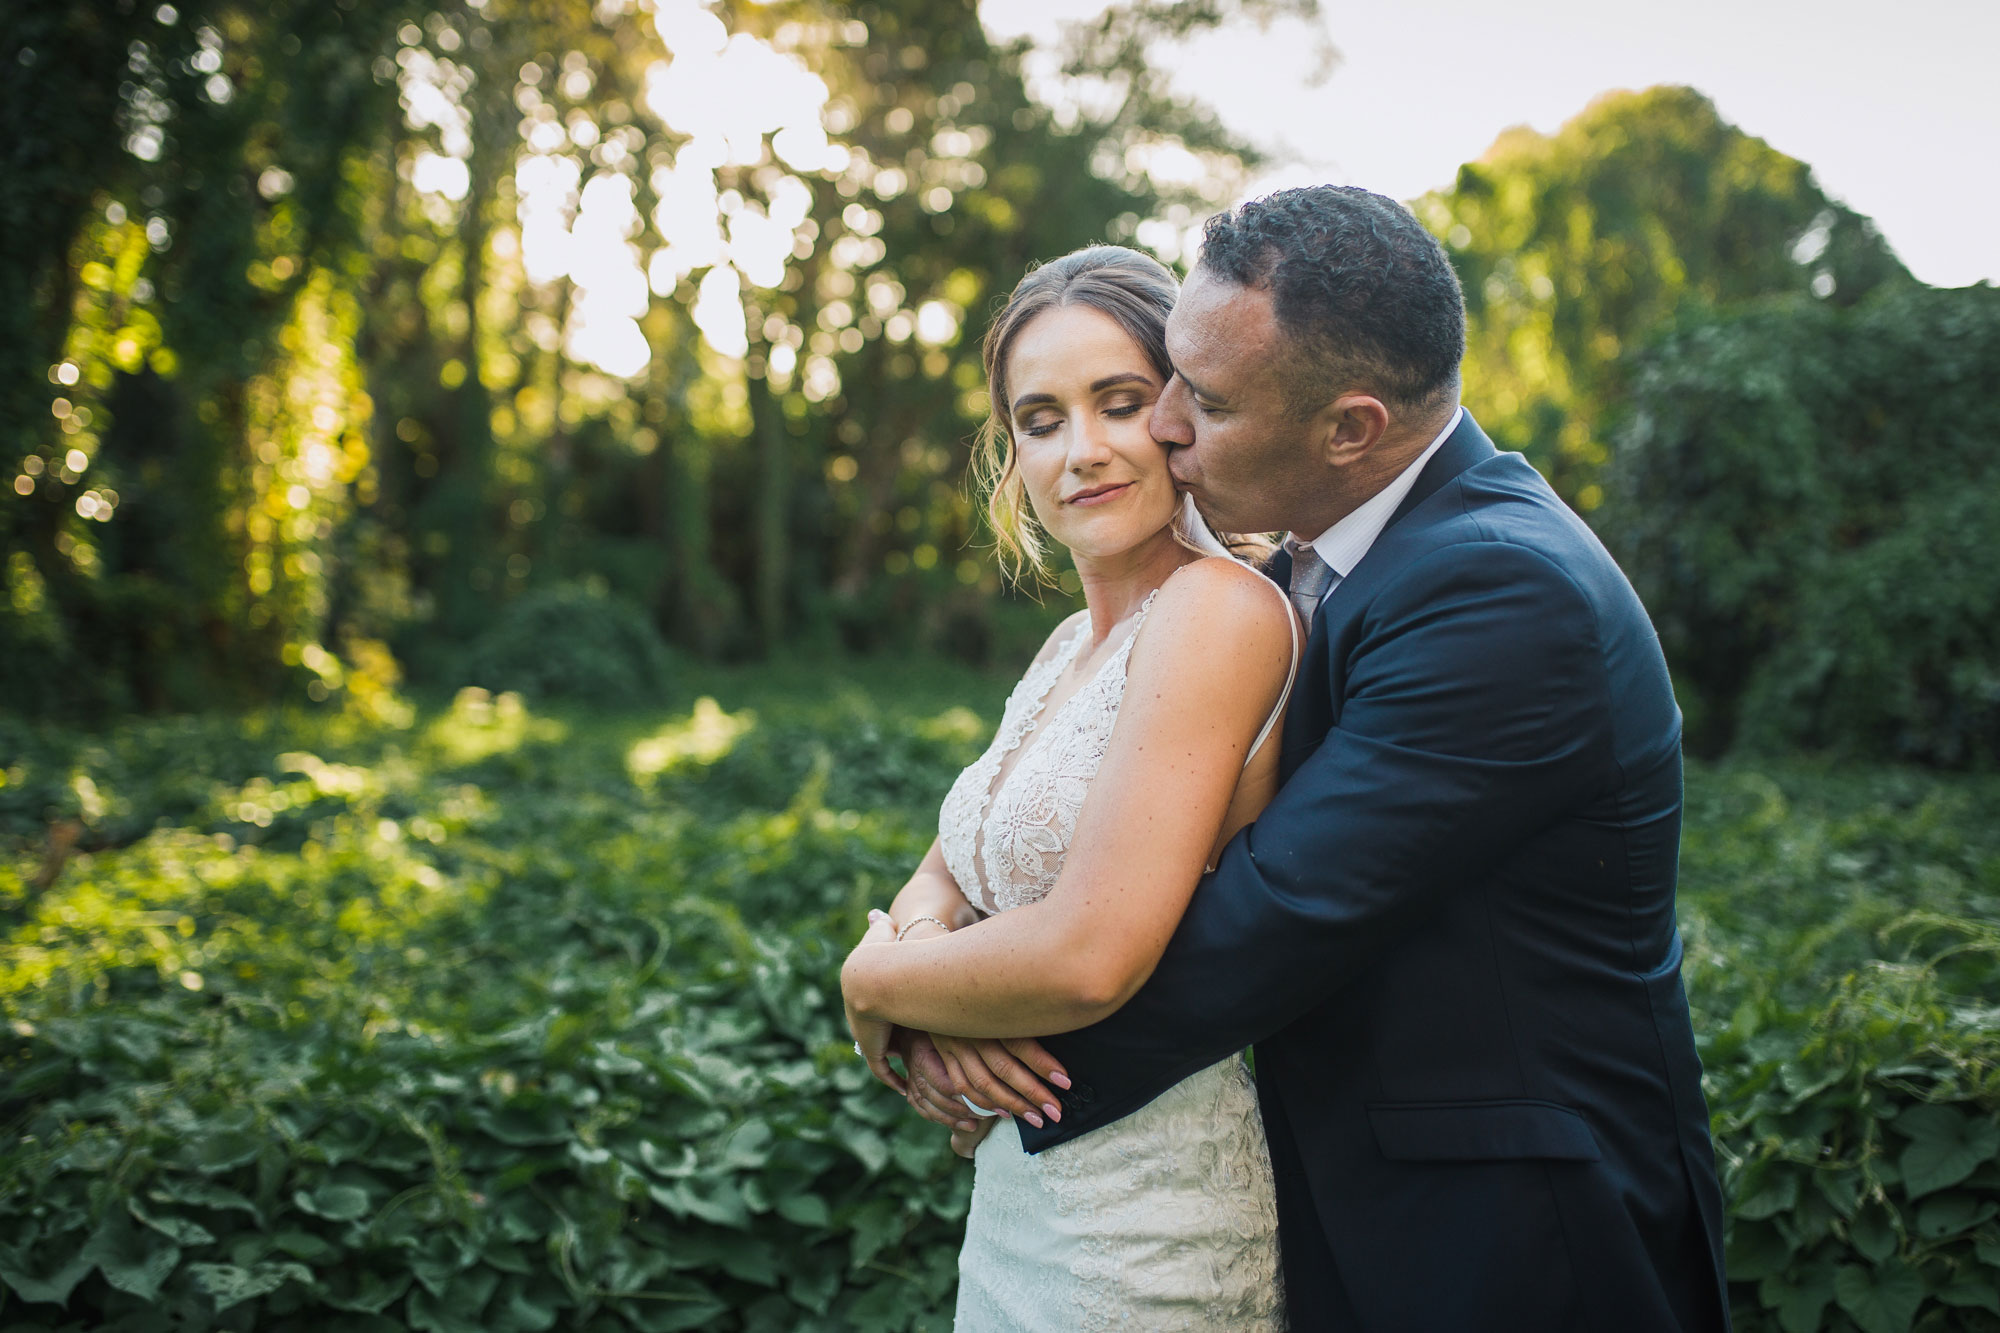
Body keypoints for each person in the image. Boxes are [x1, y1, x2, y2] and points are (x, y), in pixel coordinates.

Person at [849, 186, 1730, 1332]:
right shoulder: (1325, 568)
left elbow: (1263, 914)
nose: (1160, 427)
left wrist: (897, 996)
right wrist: (932, 951)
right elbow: (983, 850)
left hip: (1506, 1234)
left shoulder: (1503, 590)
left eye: (1191, 399)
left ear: (1349, 427)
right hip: (1321, 1200)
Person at [840, 244, 1302, 1329]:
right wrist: (924, 976)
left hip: (1143, 1226)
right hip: (1018, 1207)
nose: (1080, 451)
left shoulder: (1217, 612)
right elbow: (941, 874)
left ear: (1183, 411)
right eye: (1040, 420)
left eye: (1119, 402)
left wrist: (871, 984)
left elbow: (1088, 957)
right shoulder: (1061, 650)